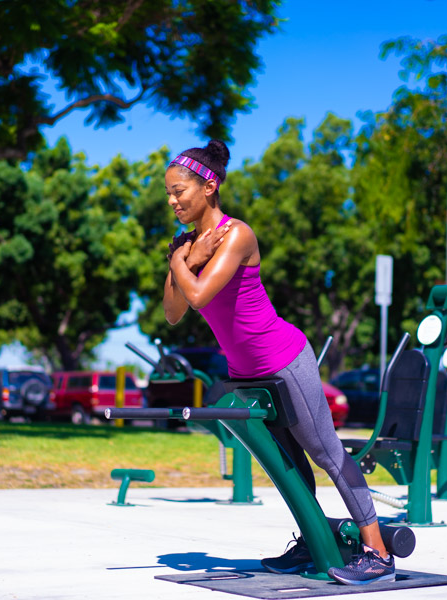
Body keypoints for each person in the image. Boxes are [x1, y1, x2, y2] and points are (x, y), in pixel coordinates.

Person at [162, 140, 394, 585]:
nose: (173, 201)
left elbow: (196, 295)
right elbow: (173, 314)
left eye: (179, 191)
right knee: (286, 462)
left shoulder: (237, 235)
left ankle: (377, 552)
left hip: (284, 360)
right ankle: (314, 539)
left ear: (208, 186)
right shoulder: (189, 245)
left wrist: (178, 261)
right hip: (244, 372)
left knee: (325, 451)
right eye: (169, 195)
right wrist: (186, 255)